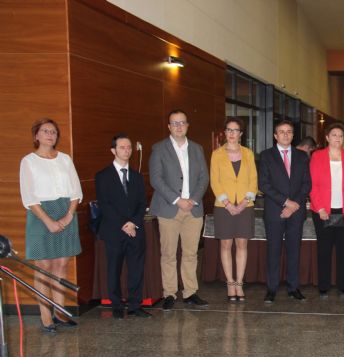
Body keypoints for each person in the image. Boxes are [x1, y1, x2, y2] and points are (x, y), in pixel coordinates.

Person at [19, 118, 82, 333]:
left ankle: (61, 313)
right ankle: (46, 317)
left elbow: (76, 191)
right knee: (44, 266)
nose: (50, 134)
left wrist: (67, 216)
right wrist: (48, 221)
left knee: (61, 265)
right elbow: (29, 196)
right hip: (40, 215)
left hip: (66, 212)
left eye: (53, 132)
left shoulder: (65, 159)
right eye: (45, 131)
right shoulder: (28, 161)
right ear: (36, 136)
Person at [149, 109, 209, 310]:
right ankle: (170, 293)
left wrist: (193, 199)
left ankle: (190, 292)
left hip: (193, 209)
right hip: (169, 209)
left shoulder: (197, 148)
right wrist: (177, 200)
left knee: (191, 253)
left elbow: (204, 178)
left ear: (187, 125)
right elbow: (156, 179)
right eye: (174, 123)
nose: (179, 126)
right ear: (169, 127)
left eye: (182, 123)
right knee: (168, 254)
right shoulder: (159, 148)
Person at [95, 133, 151, 319]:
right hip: (114, 230)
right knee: (114, 268)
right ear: (113, 150)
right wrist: (123, 224)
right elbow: (104, 204)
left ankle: (135, 305)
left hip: (135, 230)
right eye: (122, 147)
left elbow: (142, 203)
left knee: (136, 268)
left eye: (129, 147)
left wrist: (133, 223)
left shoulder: (136, 176)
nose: (127, 151)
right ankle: (117, 305)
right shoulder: (102, 176)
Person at [258, 120, 311, 303]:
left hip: (296, 212)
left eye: (289, 132)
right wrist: (286, 202)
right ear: (275, 135)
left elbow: (306, 184)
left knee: (294, 250)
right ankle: (271, 289)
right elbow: (263, 184)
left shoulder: (302, 156)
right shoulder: (266, 156)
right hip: (275, 212)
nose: (286, 135)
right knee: (273, 251)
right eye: (281, 132)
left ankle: (293, 287)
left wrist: (294, 204)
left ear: (293, 134)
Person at [309, 122, 344, 297]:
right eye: (334, 135)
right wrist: (320, 208)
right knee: (324, 249)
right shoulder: (317, 156)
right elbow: (313, 185)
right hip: (323, 211)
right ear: (327, 137)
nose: (338, 138)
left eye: (340, 135)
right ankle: (323, 285)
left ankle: (343, 285)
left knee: (343, 249)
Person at [210, 117, 258, 302]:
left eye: (235, 130)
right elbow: (215, 181)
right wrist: (228, 204)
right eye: (228, 130)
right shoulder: (216, 154)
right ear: (225, 132)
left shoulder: (248, 153)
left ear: (241, 134)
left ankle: (239, 282)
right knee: (225, 244)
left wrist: (245, 202)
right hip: (224, 207)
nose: (231, 133)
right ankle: (230, 283)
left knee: (242, 244)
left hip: (245, 206)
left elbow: (253, 180)